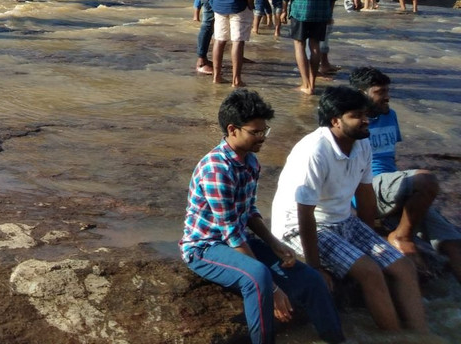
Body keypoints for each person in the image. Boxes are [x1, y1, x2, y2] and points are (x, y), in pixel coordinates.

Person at [181, 89, 345, 344]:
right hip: (205, 248)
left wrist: (275, 244)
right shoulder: (217, 169)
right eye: (255, 132)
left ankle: (337, 339)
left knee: (311, 279)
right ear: (233, 129)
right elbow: (231, 232)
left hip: (237, 240)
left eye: (264, 131)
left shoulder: (250, 162)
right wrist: (275, 290)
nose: (262, 138)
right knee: (258, 277)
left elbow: (249, 212)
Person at [271, 86, 428, 334]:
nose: (366, 120)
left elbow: (365, 194)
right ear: (335, 121)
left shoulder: (361, 143)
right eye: (357, 115)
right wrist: (314, 268)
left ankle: (422, 336)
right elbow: (304, 211)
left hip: (343, 220)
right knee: (370, 272)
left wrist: (370, 238)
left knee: (403, 267)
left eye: (366, 114)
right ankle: (397, 338)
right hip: (301, 227)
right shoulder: (315, 150)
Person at [350, 66, 461, 281]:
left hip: (393, 187)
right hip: (370, 188)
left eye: (387, 91)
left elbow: (389, 159)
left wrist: (408, 192)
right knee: (426, 180)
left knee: (454, 243)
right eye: (380, 92)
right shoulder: (352, 125)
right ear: (362, 94)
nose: (387, 97)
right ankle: (401, 235)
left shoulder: (391, 116)